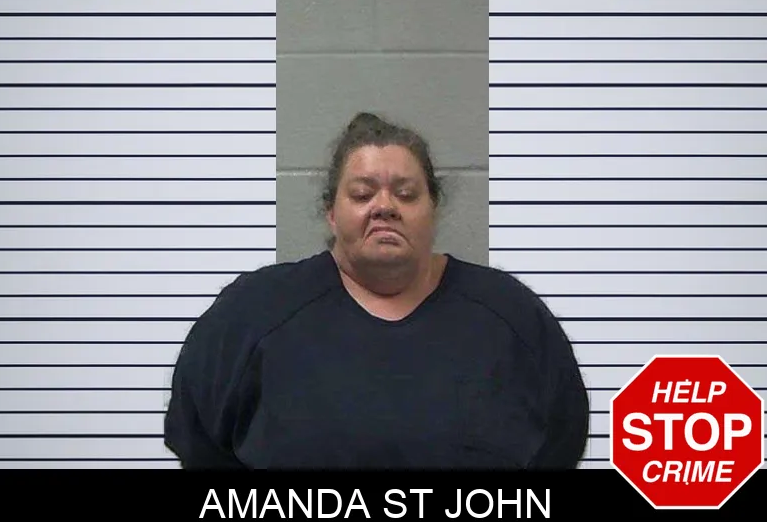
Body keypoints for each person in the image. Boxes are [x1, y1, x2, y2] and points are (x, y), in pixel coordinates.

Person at [163, 112, 590, 469]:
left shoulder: (510, 316)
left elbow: (562, 437)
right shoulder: (252, 313)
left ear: (433, 209)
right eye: (362, 193)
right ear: (331, 213)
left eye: (406, 194)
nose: (385, 206)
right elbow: (198, 440)